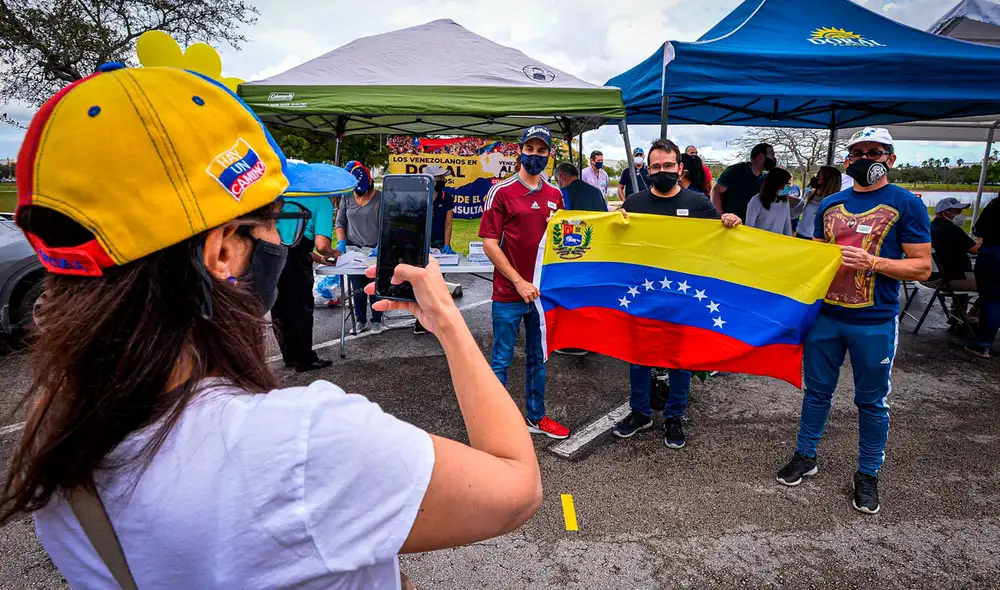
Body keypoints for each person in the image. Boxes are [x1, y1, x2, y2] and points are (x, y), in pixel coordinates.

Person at [0, 65, 542, 589]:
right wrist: (448, 322)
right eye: (276, 219)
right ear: (222, 251)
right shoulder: (301, 446)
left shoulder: (58, 444)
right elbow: (517, 489)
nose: (282, 240)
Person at [775, 128, 931, 515]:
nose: (863, 159)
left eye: (873, 152)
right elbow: (812, 256)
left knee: (871, 401)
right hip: (827, 317)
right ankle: (805, 454)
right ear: (846, 160)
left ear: (890, 159)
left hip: (874, 321)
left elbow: (923, 267)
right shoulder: (831, 204)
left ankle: (867, 474)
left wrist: (874, 262)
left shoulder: (906, 204)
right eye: (856, 153)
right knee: (816, 392)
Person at [612, 139, 744, 449]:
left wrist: (730, 222)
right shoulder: (634, 203)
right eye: (655, 166)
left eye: (668, 166)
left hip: (684, 298)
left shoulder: (698, 204)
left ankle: (674, 416)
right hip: (644, 295)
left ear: (680, 168)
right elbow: (615, 241)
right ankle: (640, 412)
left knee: (680, 361)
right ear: (648, 169)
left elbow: (720, 243)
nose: (661, 171)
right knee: (639, 358)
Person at [479, 125, 570, 439]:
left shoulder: (556, 195)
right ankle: (495, 424)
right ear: (519, 150)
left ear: (549, 154)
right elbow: (490, 244)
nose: (534, 156)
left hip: (541, 295)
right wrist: (518, 282)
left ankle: (536, 417)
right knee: (501, 359)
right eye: (529, 149)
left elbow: (565, 240)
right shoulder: (500, 192)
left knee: (538, 358)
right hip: (508, 293)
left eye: (541, 151)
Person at [272, 196, 338, 372]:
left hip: (271, 257)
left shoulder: (280, 197)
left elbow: (288, 241)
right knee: (300, 310)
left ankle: (289, 357)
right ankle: (304, 359)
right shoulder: (322, 201)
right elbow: (322, 244)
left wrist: (320, 259)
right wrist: (334, 253)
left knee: (279, 309)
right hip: (296, 265)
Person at [552, 162, 609, 357]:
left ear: (561, 177)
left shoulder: (565, 193)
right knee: (591, 298)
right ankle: (593, 340)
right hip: (597, 252)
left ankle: (575, 342)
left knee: (572, 298)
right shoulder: (595, 192)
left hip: (573, 253)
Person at [337, 161, 384, 334]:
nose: (360, 196)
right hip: (353, 250)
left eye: (363, 193)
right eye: (357, 193)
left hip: (374, 249)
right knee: (357, 287)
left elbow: (387, 224)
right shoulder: (347, 197)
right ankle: (360, 320)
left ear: (370, 184)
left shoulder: (381, 198)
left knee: (374, 285)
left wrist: (381, 244)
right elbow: (340, 222)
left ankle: (377, 320)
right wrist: (341, 242)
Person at [414, 164, 457, 335]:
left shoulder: (447, 197)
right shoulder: (418, 197)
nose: (443, 181)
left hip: (439, 245)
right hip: (421, 246)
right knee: (421, 285)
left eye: (444, 179)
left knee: (438, 284)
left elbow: (448, 223)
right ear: (430, 180)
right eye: (440, 179)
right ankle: (420, 320)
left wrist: (446, 245)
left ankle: (435, 320)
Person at [929, 197, 980, 324]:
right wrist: (984, 238)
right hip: (950, 278)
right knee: (993, 284)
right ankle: (973, 317)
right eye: (957, 211)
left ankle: (957, 314)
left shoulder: (932, 226)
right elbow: (975, 250)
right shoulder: (952, 230)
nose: (960, 215)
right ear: (945, 212)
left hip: (934, 275)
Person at [967, 196, 1000, 358]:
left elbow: (978, 230)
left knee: (991, 299)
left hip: (993, 253)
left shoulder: (995, 204)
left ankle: (984, 344)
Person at [711, 143, 775, 221]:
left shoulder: (765, 179)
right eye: (772, 155)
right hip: (730, 223)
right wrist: (721, 216)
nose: (773, 159)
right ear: (761, 157)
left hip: (750, 226)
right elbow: (716, 191)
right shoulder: (735, 171)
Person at [794, 166, 843, 240]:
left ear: (827, 179)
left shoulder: (835, 202)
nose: (815, 177)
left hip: (817, 240)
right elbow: (795, 213)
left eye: (818, 175)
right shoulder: (809, 194)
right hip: (800, 235)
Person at [744, 167, 794, 236]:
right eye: (785, 184)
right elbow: (749, 229)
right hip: (760, 244)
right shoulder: (756, 201)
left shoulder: (784, 202)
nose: (785, 188)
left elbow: (787, 228)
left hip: (778, 245)